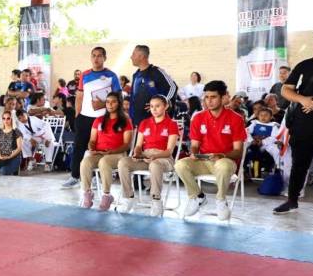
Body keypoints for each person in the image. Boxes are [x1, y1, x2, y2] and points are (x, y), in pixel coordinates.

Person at [175, 80, 246, 220]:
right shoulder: (198, 118)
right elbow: (195, 144)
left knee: (223, 165)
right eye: (206, 97)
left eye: (213, 97)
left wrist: (222, 155)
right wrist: (194, 152)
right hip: (204, 160)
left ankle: (221, 200)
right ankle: (197, 197)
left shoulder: (236, 119)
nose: (209, 101)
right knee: (180, 164)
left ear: (223, 97)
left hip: (226, 161)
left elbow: (238, 151)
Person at [61, 47, 122, 189]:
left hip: (102, 119)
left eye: (99, 56)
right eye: (93, 56)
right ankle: (74, 176)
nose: (96, 58)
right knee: (79, 147)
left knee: (98, 148)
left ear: (104, 58)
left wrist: (107, 108)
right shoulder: (85, 75)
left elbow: (118, 96)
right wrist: (77, 114)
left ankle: (96, 177)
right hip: (85, 117)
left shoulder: (111, 75)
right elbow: (80, 96)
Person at [273, 31, 313, 214]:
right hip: (303, 123)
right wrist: (303, 100)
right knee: (299, 163)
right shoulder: (305, 65)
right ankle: (292, 200)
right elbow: (286, 90)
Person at [117, 95, 179, 217]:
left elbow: (169, 151)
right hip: (146, 157)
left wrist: (155, 157)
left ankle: (156, 201)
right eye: (151, 106)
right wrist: (137, 153)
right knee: (123, 162)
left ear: (165, 106)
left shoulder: (172, 124)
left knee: (155, 164)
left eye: (157, 106)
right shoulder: (144, 123)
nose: (154, 109)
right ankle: (128, 197)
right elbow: (139, 145)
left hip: (163, 158)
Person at [79, 91, 133, 211]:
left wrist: (111, 152)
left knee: (105, 162)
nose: (110, 104)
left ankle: (107, 195)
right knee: (85, 162)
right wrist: (91, 148)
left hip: (117, 154)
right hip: (99, 153)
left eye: (113, 102)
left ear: (119, 103)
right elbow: (92, 140)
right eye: (108, 102)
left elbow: (126, 145)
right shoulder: (99, 120)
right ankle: (87, 193)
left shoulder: (125, 121)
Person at [129, 45, 177, 125]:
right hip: (138, 122)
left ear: (141, 56)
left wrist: (164, 102)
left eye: (133, 54)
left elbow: (173, 87)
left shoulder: (157, 72)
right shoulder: (136, 75)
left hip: (155, 122)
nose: (131, 57)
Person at [246, 107, 281, 174]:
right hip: (254, 143)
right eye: (261, 115)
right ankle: (245, 168)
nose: (263, 117)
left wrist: (263, 141)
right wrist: (252, 140)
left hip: (267, 144)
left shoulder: (273, 125)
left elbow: (275, 137)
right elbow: (246, 132)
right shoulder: (254, 123)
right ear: (258, 116)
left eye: (266, 115)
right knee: (245, 147)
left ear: (271, 117)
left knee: (276, 149)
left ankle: (278, 167)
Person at [0, 110, 23, 175]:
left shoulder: (16, 131)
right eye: (4, 118)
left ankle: (15, 169)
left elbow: (19, 148)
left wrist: (10, 156)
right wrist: (0, 156)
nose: (6, 121)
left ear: (11, 119)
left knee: (3, 171)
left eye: (8, 118)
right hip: (3, 157)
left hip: (14, 158)